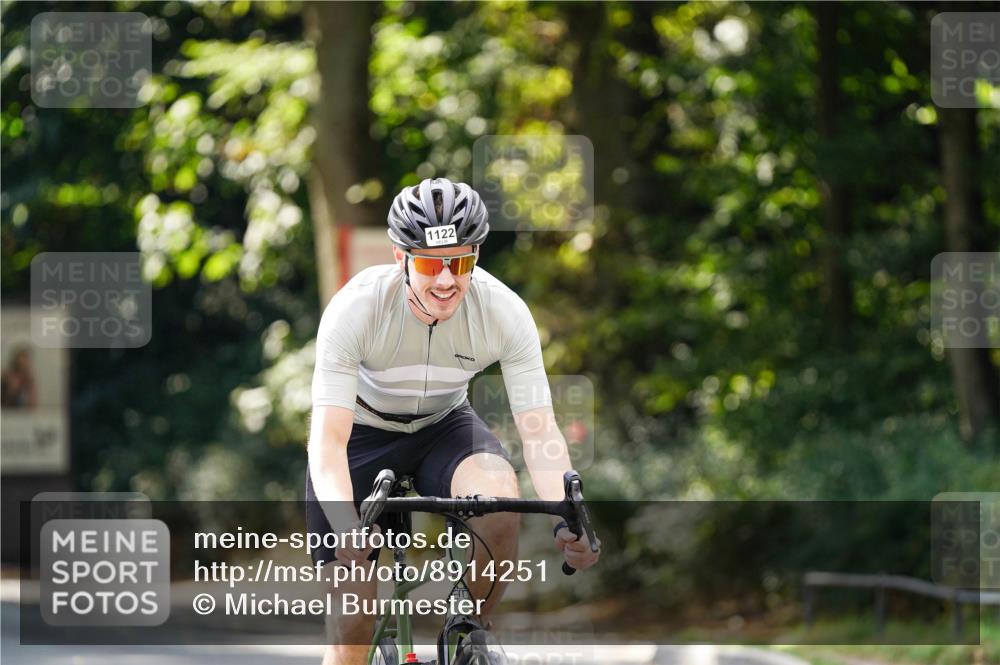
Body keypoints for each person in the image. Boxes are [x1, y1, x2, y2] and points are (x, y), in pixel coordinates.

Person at [307, 177, 599, 665]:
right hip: (360, 434)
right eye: (429, 263)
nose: (446, 280)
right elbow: (327, 441)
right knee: (351, 617)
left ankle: (469, 637)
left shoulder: (503, 311)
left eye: (460, 262)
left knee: (500, 505)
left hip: (445, 425)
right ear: (401, 258)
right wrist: (345, 525)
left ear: (477, 256)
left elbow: (540, 431)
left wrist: (568, 519)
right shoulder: (355, 309)